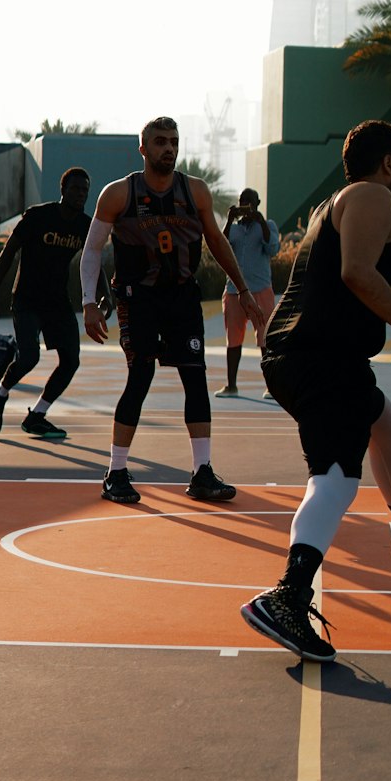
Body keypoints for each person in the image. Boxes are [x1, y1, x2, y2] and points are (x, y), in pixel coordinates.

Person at [240, 118, 391, 662]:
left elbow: (386, 238)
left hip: (306, 355)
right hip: (318, 357)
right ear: (388, 164)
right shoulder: (373, 195)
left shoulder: (353, 201)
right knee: (334, 479)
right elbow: (357, 272)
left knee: (382, 423)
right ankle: (288, 594)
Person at [79, 116, 267, 505]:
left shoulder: (194, 191)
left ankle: (202, 472)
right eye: (161, 141)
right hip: (138, 297)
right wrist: (88, 303)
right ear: (143, 148)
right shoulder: (119, 194)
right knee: (141, 374)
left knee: (195, 378)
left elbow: (216, 240)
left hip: (182, 295)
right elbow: (93, 248)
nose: (169, 148)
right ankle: (116, 472)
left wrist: (244, 290)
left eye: (174, 142)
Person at [0, 167, 112, 439]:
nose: (81, 194)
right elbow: (8, 253)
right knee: (29, 357)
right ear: (63, 190)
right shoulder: (38, 216)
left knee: (71, 361)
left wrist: (104, 294)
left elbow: (94, 263)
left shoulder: (86, 226)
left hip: (57, 302)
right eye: (76, 189)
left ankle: (37, 415)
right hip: (27, 298)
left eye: (85, 190)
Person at [215, 188, 280, 397]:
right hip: (235, 291)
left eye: (250, 202)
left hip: (260, 290)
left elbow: (273, 249)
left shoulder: (267, 225)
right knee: (233, 340)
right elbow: (220, 247)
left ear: (258, 203)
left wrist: (260, 221)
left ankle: (272, 386)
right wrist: (229, 220)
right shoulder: (234, 229)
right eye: (243, 202)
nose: (247, 206)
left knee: (265, 340)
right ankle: (231, 385)